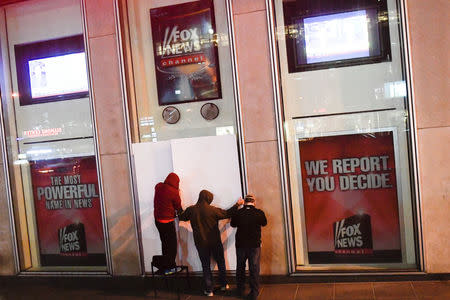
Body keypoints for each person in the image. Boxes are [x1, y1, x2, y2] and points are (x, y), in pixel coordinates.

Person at [179, 190, 244, 297]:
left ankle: (209, 290)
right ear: (208, 199)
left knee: (205, 265)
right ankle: (223, 284)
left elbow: (181, 216)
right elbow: (227, 213)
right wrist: (237, 204)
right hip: (214, 241)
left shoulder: (192, 210)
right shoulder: (212, 210)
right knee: (221, 261)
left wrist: (178, 200)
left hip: (200, 242)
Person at [230, 194, 267, 300]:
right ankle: (254, 292)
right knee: (254, 268)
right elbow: (264, 223)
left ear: (244, 202)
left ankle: (240, 290)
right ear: (254, 202)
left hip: (241, 245)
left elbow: (233, 224)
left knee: (240, 267)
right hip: (254, 245)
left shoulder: (238, 213)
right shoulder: (259, 213)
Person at [154, 172, 182, 274]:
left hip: (158, 221)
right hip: (168, 222)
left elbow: (158, 187)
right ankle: (170, 268)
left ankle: (165, 267)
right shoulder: (174, 192)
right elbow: (178, 207)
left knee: (165, 244)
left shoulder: (158, 186)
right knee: (172, 246)